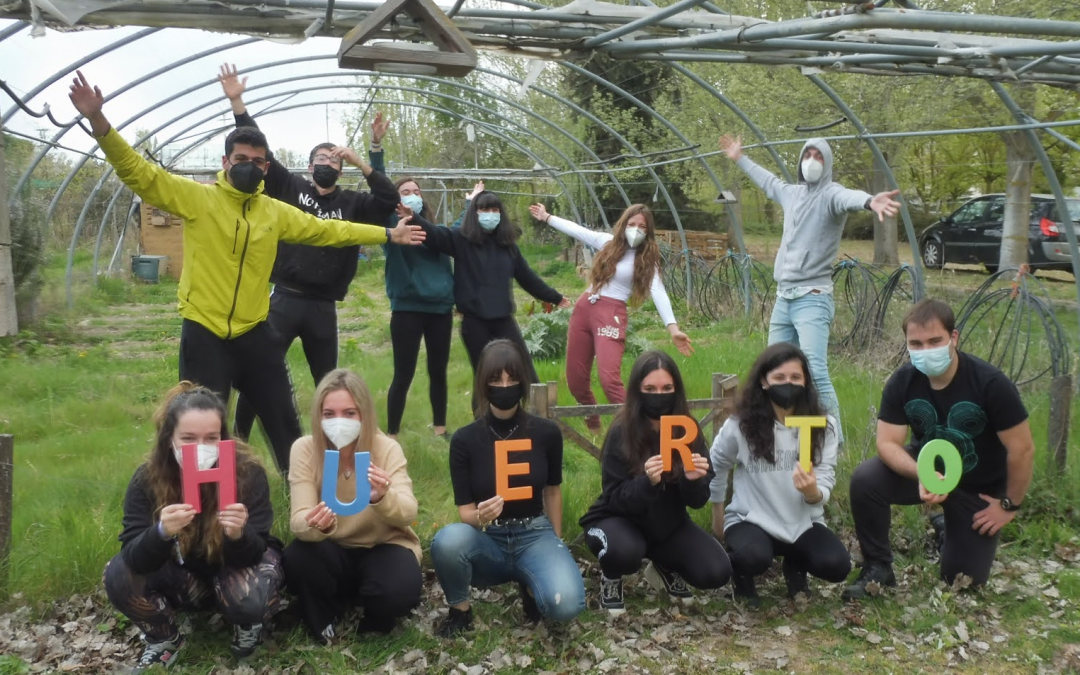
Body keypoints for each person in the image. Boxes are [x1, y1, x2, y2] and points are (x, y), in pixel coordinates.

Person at [68, 71, 424, 472]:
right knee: (202, 426)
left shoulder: (274, 211)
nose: (250, 167)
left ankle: (307, 500)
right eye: (241, 160)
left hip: (255, 331)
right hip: (205, 330)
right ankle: (201, 508)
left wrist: (387, 234)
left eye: (258, 162)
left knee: (284, 423)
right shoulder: (198, 199)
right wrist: (99, 121)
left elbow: (330, 230)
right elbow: (139, 173)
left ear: (267, 167)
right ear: (226, 162)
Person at [217, 65, 401, 445]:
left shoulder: (352, 202)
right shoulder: (291, 188)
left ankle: (330, 447)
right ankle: (240, 438)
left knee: (328, 383)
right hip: (284, 298)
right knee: (260, 371)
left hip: (323, 307)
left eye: (334, 160)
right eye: (321, 158)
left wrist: (365, 159)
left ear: (341, 168)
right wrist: (237, 102)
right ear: (308, 165)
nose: (327, 164)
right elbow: (256, 148)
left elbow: (388, 199)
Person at [842, 299, 1034, 600]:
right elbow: (887, 443)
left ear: (953, 338)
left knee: (962, 582)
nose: (925, 350)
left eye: (935, 341)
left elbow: (1022, 449)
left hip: (978, 488)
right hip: (926, 468)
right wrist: (922, 473)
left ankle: (949, 528)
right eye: (916, 343)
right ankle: (878, 566)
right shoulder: (902, 382)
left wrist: (1009, 504)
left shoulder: (991, 384)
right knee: (866, 480)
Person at [718, 134, 901, 441]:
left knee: (814, 370)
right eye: (808, 155)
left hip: (812, 299)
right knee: (772, 369)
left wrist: (870, 201)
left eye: (819, 156)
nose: (812, 161)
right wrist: (739, 158)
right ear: (800, 161)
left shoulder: (831, 194)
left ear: (826, 163)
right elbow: (768, 181)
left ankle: (834, 440)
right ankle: (778, 435)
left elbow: (849, 198)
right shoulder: (792, 193)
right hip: (784, 296)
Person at [103, 383, 283, 672]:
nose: (200, 448)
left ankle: (248, 623)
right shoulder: (147, 478)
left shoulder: (248, 472)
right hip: (187, 579)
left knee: (254, 588)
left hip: (233, 569)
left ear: (224, 438)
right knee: (117, 572)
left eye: (211, 438)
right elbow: (133, 556)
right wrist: (160, 532)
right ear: (169, 439)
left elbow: (257, 551)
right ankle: (165, 639)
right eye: (188, 438)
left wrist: (238, 534)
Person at [430, 339, 585, 637]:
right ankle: (460, 611)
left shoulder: (547, 432)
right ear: (482, 384)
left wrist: (556, 541)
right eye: (495, 379)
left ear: (524, 382)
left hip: (535, 532)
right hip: (489, 539)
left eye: (512, 378)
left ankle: (530, 586)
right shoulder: (464, 441)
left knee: (566, 605)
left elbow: (552, 490)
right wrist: (481, 516)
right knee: (447, 541)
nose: (505, 385)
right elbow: (465, 513)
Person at [579, 351, 731, 615]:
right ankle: (612, 576)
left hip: (667, 525)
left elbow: (697, 502)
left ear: (676, 390)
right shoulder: (621, 430)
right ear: (638, 391)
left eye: (666, 388)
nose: (659, 394)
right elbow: (614, 498)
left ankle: (663, 564)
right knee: (625, 553)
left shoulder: (687, 429)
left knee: (716, 571)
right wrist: (647, 483)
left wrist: (692, 480)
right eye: (650, 388)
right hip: (617, 520)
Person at [283, 369, 422, 643]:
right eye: (329, 414)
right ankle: (324, 615)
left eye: (349, 413)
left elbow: (408, 511)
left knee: (398, 591)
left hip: (383, 545)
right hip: (332, 550)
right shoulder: (304, 449)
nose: (339, 422)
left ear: (364, 414)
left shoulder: (386, 449)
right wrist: (316, 524)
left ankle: (374, 616)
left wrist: (382, 497)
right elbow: (298, 521)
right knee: (298, 558)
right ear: (318, 416)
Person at [528, 203, 693, 432]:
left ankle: (639, 431)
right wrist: (547, 218)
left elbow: (658, 291)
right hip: (585, 308)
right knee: (576, 381)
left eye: (642, 226)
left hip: (611, 314)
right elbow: (577, 230)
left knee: (609, 380)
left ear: (648, 231)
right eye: (632, 224)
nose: (636, 229)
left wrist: (673, 328)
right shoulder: (607, 242)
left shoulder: (646, 258)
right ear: (624, 224)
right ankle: (594, 426)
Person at [709, 343, 850, 607]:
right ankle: (742, 577)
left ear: (806, 381)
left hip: (803, 522)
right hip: (751, 520)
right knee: (753, 557)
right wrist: (717, 512)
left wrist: (813, 493)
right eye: (780, 378)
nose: (788, 384)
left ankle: (795, 567)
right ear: (764, 381)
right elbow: (716, 463)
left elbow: (826, 476)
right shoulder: (741, 424)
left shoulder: (824, 425)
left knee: (837, 565)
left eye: (796, 377)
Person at [403, 183, 572, 391]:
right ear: (475, 213)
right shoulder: (460, 240)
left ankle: (538, 415)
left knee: (525, 370)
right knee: (485, 377)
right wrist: (413, 217)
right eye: (484, 210)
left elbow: (527, 277)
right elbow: (434, 234)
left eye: (494, 210)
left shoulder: (508, 246)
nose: (490, 214)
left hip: (504, 320)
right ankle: (483, 419)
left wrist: (555, 297)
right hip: (474, 323)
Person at [381, 176, 455, 440]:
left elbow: (458, 236)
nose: (413, 195)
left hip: (440, 310)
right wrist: (376, 150)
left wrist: (472, 205)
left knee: (438, 370)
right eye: (405, 192)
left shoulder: (436, 231)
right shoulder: (393, 228)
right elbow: (380, 189)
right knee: (403, 373)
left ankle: (440, 429)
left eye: (416, 191)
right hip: (407, 310)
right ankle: (392, 434)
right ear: (397, 200)